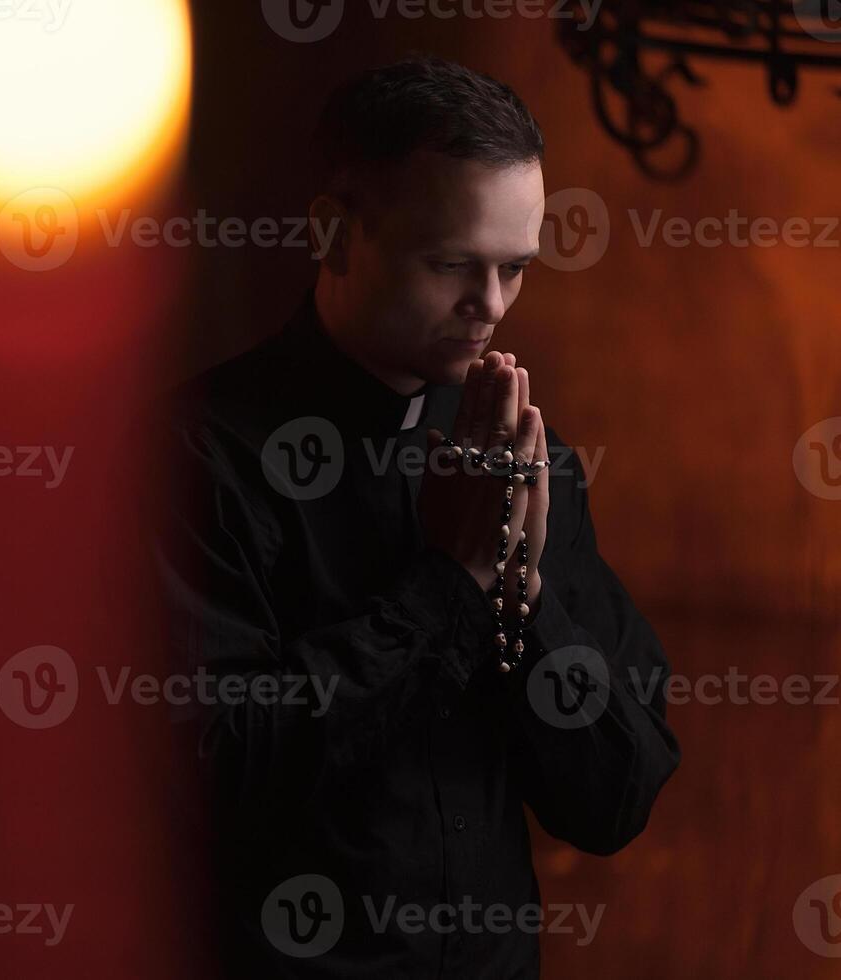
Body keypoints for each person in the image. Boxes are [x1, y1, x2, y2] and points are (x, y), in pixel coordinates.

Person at [150, 55, 680, 978]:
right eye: (452, 266)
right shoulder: (198, 458)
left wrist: (516, 591)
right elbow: (207, 782)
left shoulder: (531, 464)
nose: (491, 307)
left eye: (514, 269)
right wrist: (454, 585)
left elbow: (617, 798)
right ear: (334, 234)